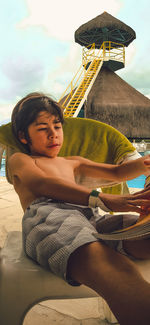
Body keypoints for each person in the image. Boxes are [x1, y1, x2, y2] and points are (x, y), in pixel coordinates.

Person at [9, 92, 150, 325]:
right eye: (43, 128)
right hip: (48, 216)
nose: (53, 134)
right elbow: (41, 184)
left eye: (57, 126)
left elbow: (116, 173)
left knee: (143, 235)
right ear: (24, 136)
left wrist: (145, 163)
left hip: (90, 216)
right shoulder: (21, 160)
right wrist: (100, 198)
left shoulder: (72, 162)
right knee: (109, 266)